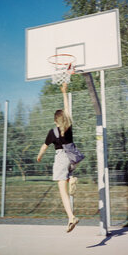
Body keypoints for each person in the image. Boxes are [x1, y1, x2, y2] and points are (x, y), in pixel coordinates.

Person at [37, 82, 79, 233]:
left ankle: (71, 217)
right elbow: (67, 109)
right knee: (66, 176)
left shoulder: (52, 132)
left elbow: (44, 146)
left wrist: (39, 156)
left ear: (55, 121)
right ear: (65, 120)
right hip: (73, 158)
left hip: (61, 159)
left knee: (62, 190)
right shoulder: (68, 128)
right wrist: (64, 91)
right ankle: (71, 178)